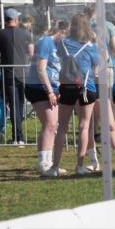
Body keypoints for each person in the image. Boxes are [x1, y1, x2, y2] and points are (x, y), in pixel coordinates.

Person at [51, 14, 115, 175]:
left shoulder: (62, 43)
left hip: (68, 86)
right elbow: (100, 64)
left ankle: (55, 166)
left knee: (65, 126)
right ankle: (82, 164)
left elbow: (59, 57)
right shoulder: (90, 46)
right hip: (87, 86)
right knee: (85, 126)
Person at [26, 20, 66, 175]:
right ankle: (43, 163)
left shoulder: (59, 45)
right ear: (62, 31)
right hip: (39, 88)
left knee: (52, 125)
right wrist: (50, 91)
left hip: (52, 88)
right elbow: (41, 69)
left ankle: (49, 162)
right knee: (49, 124)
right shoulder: (46, 41)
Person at [0, 8, 34, 144]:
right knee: (20, 104)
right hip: (23, 73)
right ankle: (19, 136)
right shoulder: (26, 34)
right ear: (15, 19)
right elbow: (32, 53)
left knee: (15, 104)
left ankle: (18, 136)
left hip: (8, 73)